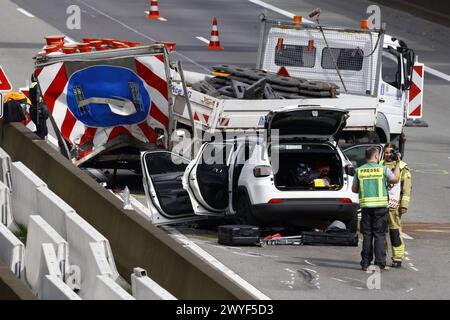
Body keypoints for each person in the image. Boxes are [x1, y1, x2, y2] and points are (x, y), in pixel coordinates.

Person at [352, 147, 400, 271]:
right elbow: (395, 179)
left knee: (367, 235)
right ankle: (379, 263)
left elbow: (354, 189)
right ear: (376, 156)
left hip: (366, 208)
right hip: (380, 208)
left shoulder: (359, 171)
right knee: (379, 235)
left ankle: (365, 263)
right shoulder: (383, 169)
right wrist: (398, 163)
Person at [380, 143, 412, 268]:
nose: (388, 155)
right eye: (386, 152)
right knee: (381, 233)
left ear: (395, 153)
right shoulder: (379, 165)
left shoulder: (403, 167)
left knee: (394, 232)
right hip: (380, 204)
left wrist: (403, 205)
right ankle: (381, 256)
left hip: (394, 206)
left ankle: (397, 258)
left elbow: (406, 188)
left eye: (390, 152)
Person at [29, 73, 49, 139]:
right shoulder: (42, 85)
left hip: (36, 110)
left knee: (41, 131)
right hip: (41, 110)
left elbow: (33, 98)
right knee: (43, 131)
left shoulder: (33, 85)